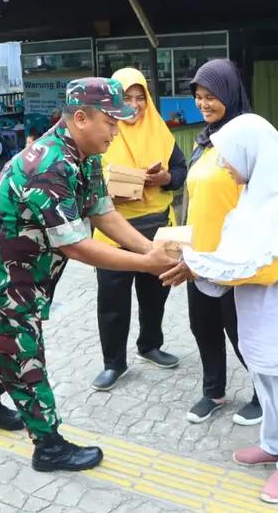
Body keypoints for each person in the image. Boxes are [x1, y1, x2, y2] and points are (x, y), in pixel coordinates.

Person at [0, 77, 177, 473]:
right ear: (81, 117)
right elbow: (77, 246)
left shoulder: (87, 153)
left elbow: (101, 212)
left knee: (3, 342)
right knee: (24, 354)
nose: (117, 130)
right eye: (111, 122)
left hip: (22, 270)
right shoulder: (48, 165)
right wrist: (147, 265)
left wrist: (150, 249)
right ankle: (49, 446)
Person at [162, 113, 278, 503]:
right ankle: (273, 444)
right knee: (266, 380)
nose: (224, 165)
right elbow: (237, 253)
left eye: (228, 156)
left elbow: (267, 267)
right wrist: (198, 265)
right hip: (263, 312)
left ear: (251, 152)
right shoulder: (255, 193)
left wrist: (200, 265)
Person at [91, 68, 188, 391]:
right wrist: (112, 187)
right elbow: (87, 181)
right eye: (126, 99)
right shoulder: (105, 131)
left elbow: (180, 169)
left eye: (140, 98)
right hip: (113, 233)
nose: (134, 106)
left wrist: (165, 179)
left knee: (154, 296)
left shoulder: (161, 132)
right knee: (113, 302)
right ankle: (113, 363)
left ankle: (150, 345)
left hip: (156, 228)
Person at [179, 58, 261, 426]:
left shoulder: (247, 140)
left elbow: (262, 197)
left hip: (234, 257)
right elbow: (194, 198)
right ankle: (214, 391)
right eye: (198, 96)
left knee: (242, 332)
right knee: (204, 326)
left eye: (211, 96)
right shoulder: (203, 143)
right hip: (199, 257)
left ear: (230, 93)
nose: (204, 104)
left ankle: (265, 394)